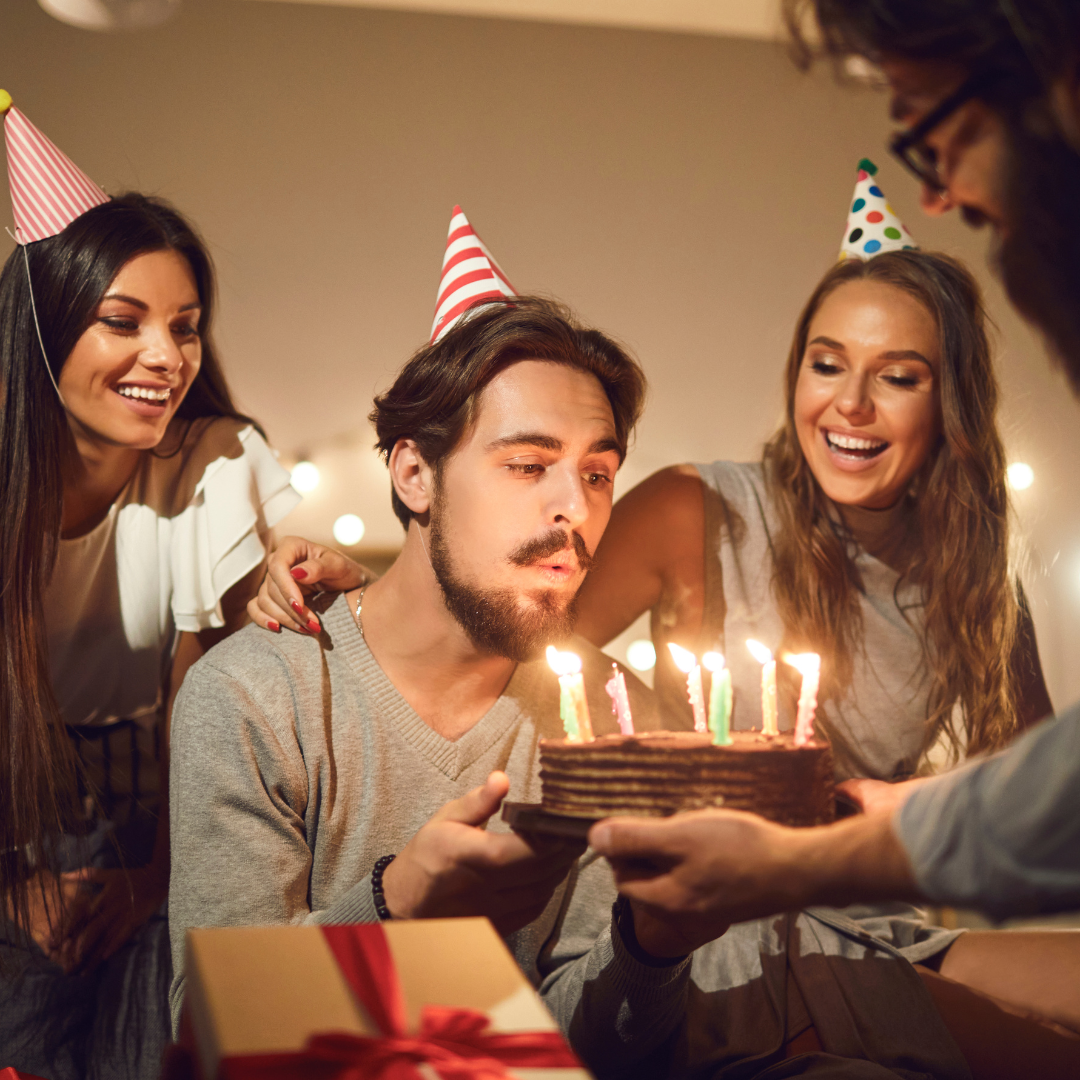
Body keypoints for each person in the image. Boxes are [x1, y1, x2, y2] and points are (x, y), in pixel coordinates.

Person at [586, 0, 1080, 1004]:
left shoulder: (975, 575)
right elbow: (525, 656)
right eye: (826, 364)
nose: (849, 404)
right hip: (722, 918)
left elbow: (1037, 792)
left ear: (953, 408)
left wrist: (901, 809)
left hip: (870, 906)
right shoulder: (699, 511)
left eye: (899, 375)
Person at [167, 295, 714, 1077]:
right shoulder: (256, 693)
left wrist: (649, 949)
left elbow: (588, 1049)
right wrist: (397, 899)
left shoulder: (612, 715)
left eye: (597, 473)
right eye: (528, 464)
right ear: (415, 474)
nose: (576, 508)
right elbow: (208, 1024)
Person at [0, 97, 300, 1080]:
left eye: (186, 327)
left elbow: (205, 707)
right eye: (123, 322)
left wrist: (153, 880)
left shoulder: (207, 463)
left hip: (172, 815)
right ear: (43, 328)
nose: (167, 359)